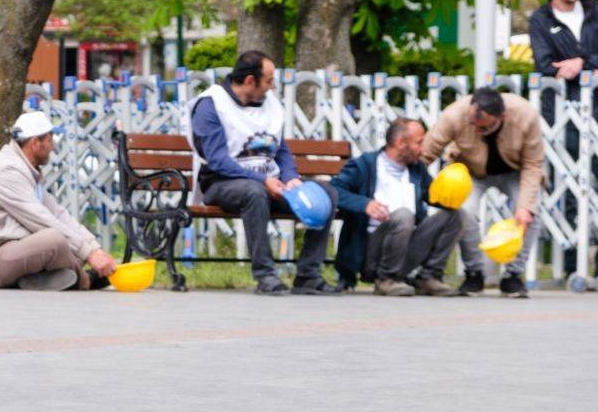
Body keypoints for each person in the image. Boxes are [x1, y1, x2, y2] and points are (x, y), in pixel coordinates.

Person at [188, 50, 340, 295]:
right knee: (254, 192)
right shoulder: (210, 105)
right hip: (223, 183)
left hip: (272, 182)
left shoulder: (269, 104)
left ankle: (308, 275)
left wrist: (291, 177)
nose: (272, 87)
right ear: (250, 81)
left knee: (327, 193)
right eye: (269, 81)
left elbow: (280, 149)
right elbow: (217, 161)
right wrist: (263, 180)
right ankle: (265, 275)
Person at [0, 111, 116, 290]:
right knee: (55, 239)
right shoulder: (8, 172)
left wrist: (94, 249)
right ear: (35, 143)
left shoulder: (25, 169)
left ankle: (36, 280)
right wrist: (89, 255)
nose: (53, 147)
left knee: (69, 241)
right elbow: (43, 221)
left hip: (6, 253)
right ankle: (84, 280)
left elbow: (59, 215)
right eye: (50, 140)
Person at [420, 87, 545, 298]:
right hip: (470, 170)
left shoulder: (526, 115)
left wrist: (525, 207)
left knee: (530, 214)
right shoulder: (453, 115)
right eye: (472, 124)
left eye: (484, 127)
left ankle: (513, 276)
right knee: (464, 213)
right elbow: (426, 154)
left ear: (501, 117)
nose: (477, 130)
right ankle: (474, 273)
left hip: (515, 169)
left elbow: (533, 164)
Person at [330, 118, 461, 296]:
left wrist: (453, 186)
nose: (423, 149)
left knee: (454, 215)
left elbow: (435, 197)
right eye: (419, 142)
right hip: (370, 251)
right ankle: (386, 279)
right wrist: (365, 204)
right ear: (400, 143)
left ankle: (429, 277)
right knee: (403, 215)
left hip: (406, 248)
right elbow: (334, 189)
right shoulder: (365, 165)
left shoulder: (416, 170)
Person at [528, 0, 598, 278]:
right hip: (562, 113)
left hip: (595, 106)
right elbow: (545, 64)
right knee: (569, 185)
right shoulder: (540, 20)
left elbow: (574, 63)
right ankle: (573, 264)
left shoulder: (594, 12)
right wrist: (584, 65)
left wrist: (580, 62)